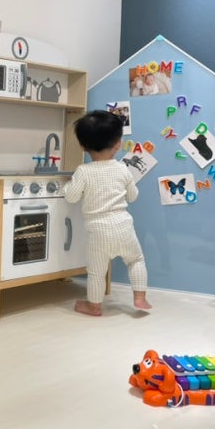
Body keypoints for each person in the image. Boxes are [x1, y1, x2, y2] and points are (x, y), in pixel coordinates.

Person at [63, 110, 152, 316]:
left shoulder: (83, 171)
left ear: (82, 146)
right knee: (136, 260)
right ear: (118, 144)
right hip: (123, 226)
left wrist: (67, 186)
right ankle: (140, 297)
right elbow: (133, 196)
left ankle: (94, 306)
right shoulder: (122, 169)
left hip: (98, 231)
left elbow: (72, 197)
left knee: (96, 272)